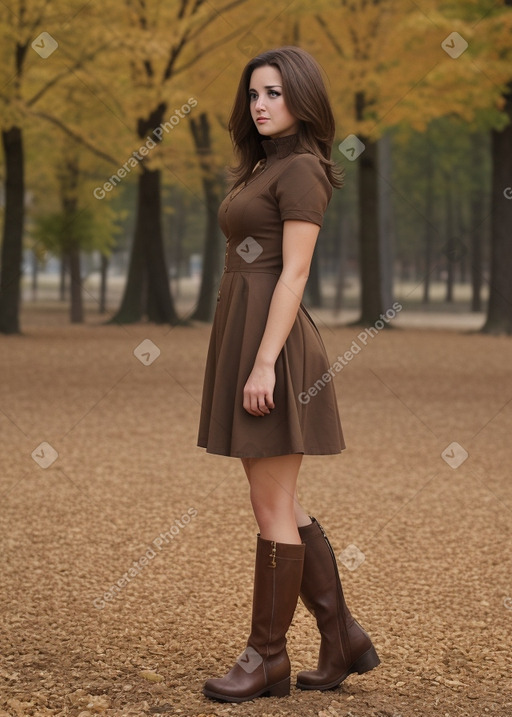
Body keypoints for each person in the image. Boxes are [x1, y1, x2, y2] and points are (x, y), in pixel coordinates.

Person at [197, 46, 379, 703]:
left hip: (273, 346)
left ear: (301, 98)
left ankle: (266, 656)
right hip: (247, 336)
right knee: (281, 500)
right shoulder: (264, 167)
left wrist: (265, 360)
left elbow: (294, 272)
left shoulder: (301, 170)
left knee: (271, 503)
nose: (261, 104)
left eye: (273, 92)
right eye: (254, 94)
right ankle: (342, 637)